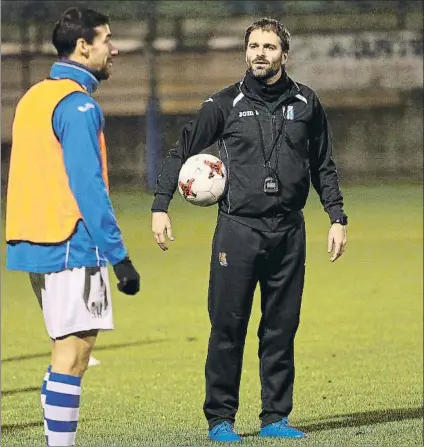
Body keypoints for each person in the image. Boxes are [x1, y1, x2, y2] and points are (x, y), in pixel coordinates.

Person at [151, 18, 348, 442]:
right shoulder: (223, 104)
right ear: (245, 52)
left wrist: (336, 216)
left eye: (270, 46)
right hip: (237, 231)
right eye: (254, 45)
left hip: (289, 232)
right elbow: (179, 150)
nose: (260, 53)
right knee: (228, 325)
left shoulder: (307, 103)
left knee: (281, 326)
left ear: (284, 54)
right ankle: (220, 419)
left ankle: (275, 417)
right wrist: (160, 205)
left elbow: (323, 165)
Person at [5, 7, 140, 446]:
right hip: (70, 242)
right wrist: (119, 256)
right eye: (107, 40)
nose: (114, 49)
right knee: (74, 355)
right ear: (83, 46)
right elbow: (88, 185)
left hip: (33, 240)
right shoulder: (79, 104)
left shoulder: (34, 96)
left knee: (62, 350)